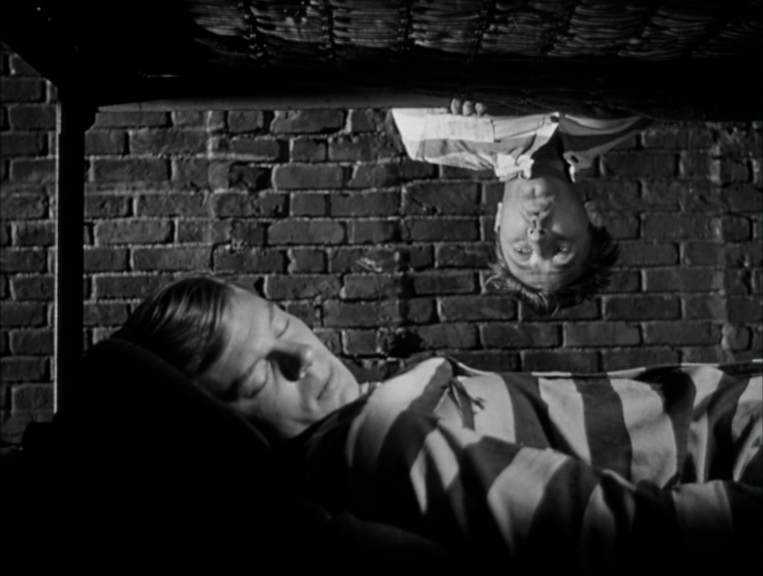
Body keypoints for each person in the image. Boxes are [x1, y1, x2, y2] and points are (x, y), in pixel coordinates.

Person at [116, 275, 762, 573]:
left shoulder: (375, 411)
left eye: (282, 324)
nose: (303, 357)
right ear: (224, 431)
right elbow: (614, 531)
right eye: (259, 378)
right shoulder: (371, 444)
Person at [392, 100, 653, 314]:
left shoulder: (427, 137)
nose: (536, 236)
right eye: (561, 249)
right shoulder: (633, 115)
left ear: (498, 222)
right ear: (592, 217)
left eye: (521, 250)